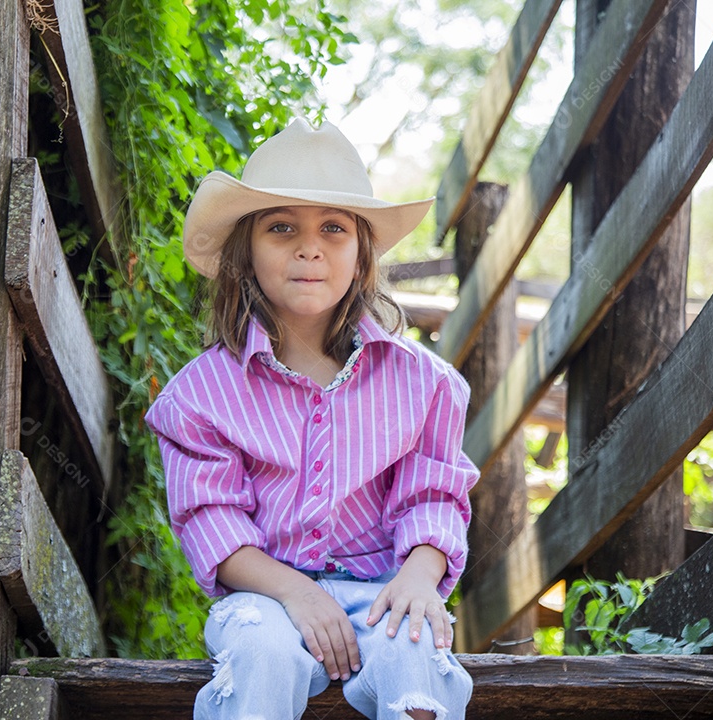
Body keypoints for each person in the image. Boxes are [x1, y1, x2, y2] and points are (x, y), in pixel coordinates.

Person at [145, 118, 478, 720]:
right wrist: (297, 592)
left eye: (333, 228)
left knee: (416, 659)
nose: (310, 246)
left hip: (384, 592)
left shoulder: (424, 385)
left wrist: (419, 578)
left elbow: (434, 497)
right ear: (246, 252)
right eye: (281, 228)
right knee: (260, 652)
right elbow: (213, 524)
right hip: (263, 597)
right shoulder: (199, 397)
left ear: (361, 254)